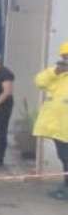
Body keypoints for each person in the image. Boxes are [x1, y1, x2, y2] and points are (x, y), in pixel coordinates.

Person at [35, 42, 68, 200]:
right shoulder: (56, 73)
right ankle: (66, 186)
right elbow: (39, 81)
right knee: (64, 158)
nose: (66, 60)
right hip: (58, 128)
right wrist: (55, 71)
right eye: (64, 57)